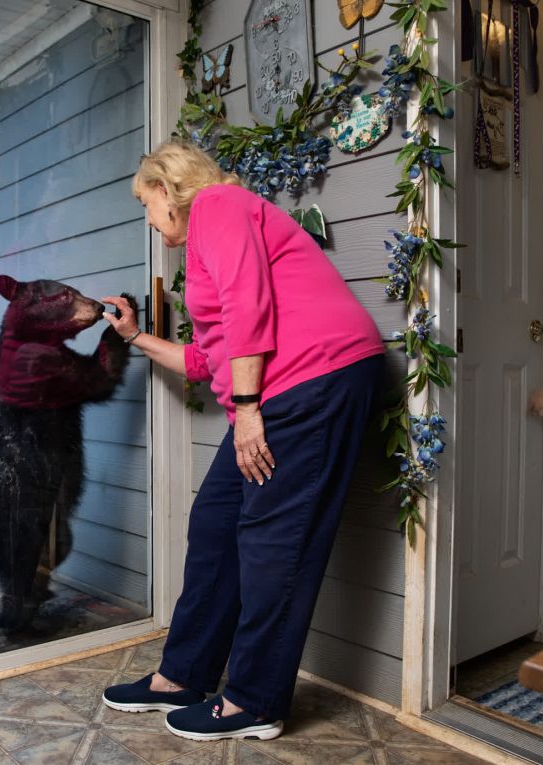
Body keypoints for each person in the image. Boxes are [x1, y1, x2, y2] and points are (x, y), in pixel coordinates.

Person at [99, 139, 385, 742]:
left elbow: (250, 305)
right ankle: (183, 676)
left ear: (169, 190)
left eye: (146, 204)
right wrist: (134, 337)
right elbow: (207, 359)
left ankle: (254, 702)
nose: (148, 218)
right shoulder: (207, 235)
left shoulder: (220, 206)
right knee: (215, 522)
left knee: (275, 542)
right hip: (280, 390)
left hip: (316, 381)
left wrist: (249, 408)